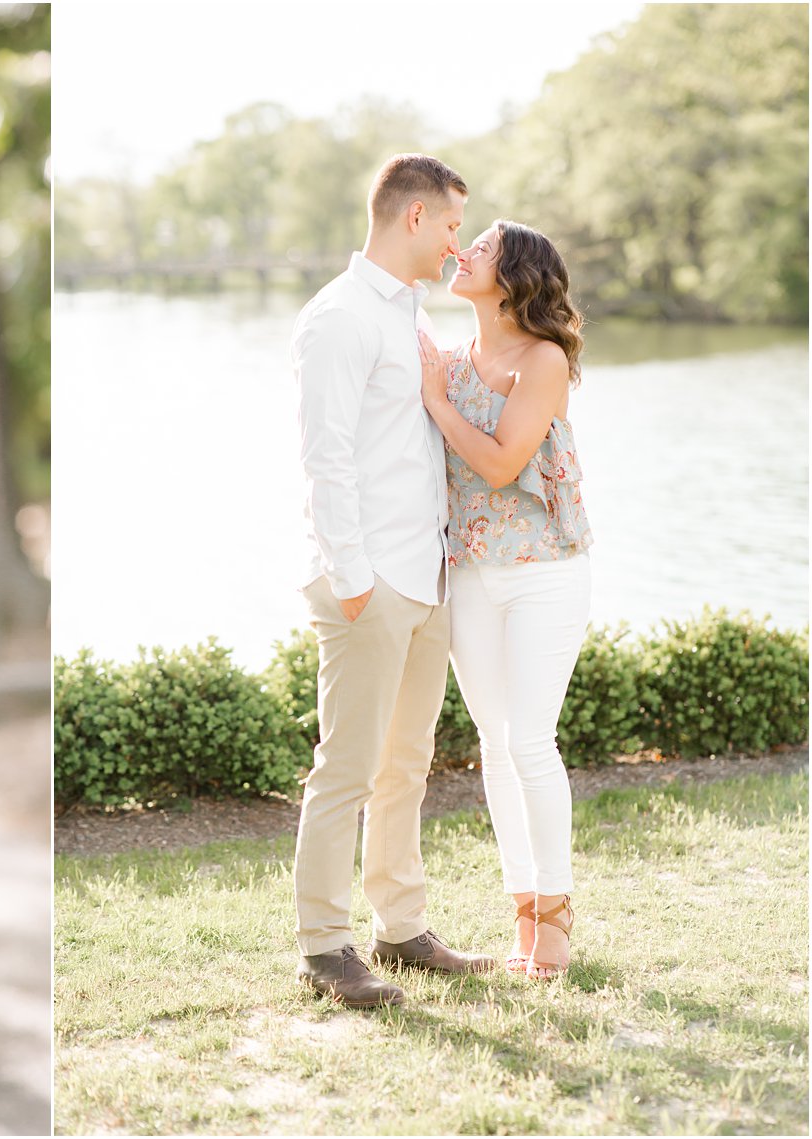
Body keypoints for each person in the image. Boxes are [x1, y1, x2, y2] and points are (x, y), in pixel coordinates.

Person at [290, 153, 496, 1010]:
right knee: (346, 766)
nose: (457, 241)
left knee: (405, 762)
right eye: (451, 224)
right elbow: (324, 455)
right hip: (369, 583)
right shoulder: (337, 318)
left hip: (427, 574)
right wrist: (354, 577)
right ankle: (323, 946)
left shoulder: (409, 313)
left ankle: (399, 926)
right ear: (413, 217)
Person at [417, 219, 593, 981]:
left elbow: (498, 465)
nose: (463, 253)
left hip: (546, 570)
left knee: (530, 741)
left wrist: (436, 400)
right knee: (493, 741)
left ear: (515, 274)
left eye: (481, 248)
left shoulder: (542, 359)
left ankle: (555, 915)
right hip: (472, 572)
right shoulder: (448, 360)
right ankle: (522, 906)